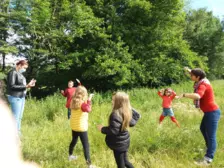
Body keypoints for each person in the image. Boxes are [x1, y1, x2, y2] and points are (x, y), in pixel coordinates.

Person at [181, 67, 221, 166]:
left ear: (197, 77)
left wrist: (184, 95)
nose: (190, 76)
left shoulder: (203, 85)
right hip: (209, 112)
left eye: (192, 75)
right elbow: (198, 74)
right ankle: (209, 147)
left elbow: (198, 96)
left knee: (211, 136)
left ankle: (208, 159)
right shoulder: (203, 79)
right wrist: (189, 70)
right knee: (203, 128)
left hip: (212, 112)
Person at [97, 92, 140, 168]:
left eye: (113, 100)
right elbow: (135, 119)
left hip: (118, 144)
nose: (111, 101)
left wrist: (102, 129)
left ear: (118, 102)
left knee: (120, 165)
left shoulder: (116, 114)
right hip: (124, 141)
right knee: (126, 161)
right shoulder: (126, 111)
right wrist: (128, 106)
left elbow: (114, 131)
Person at [0, 98, 39, 168]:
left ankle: (17, 136)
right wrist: (25, 86)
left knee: (19, 118)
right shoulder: (3, 112)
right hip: (16, 96)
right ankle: (16, 137)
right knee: (16, 118)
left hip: (20, 95)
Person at [68, 86, 96, 168]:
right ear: (84, 94)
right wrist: (89, 100)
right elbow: (88, 109)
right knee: (86, 145)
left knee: (74, 140)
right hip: (81, 127)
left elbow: (68, 105)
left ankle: (70, 156)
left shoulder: (72, 101)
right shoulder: (83, 104)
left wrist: (85, 100)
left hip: (74, 126)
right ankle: (89, 165)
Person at [7, 60, 36, 135]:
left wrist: (29, 85)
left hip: (21, 97)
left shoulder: (20, 74)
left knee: (19, 117)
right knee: (15, 117)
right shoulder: (13, 72)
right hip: (15, 97)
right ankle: (13, 134)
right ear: (19, 65)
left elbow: (22, 86)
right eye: (24, 67)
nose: (25, 70)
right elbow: (12, 86)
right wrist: (26, 86)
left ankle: (18, 132)